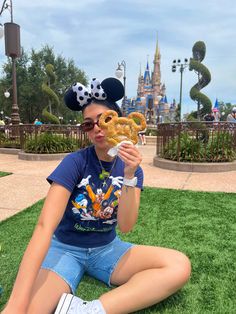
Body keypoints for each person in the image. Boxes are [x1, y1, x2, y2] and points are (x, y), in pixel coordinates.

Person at [2, 77, 191, 314]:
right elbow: (44, 227)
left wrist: (130, 175)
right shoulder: (75, 162)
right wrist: (16, 305)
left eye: (103, 120)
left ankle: (87, 310)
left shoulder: (132, 169)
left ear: (120, 121)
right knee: (31, 310)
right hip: (65, 249)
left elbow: (126, 225)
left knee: (178, 265)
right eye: (88, 124)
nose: (97, 129)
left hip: (107, 250)